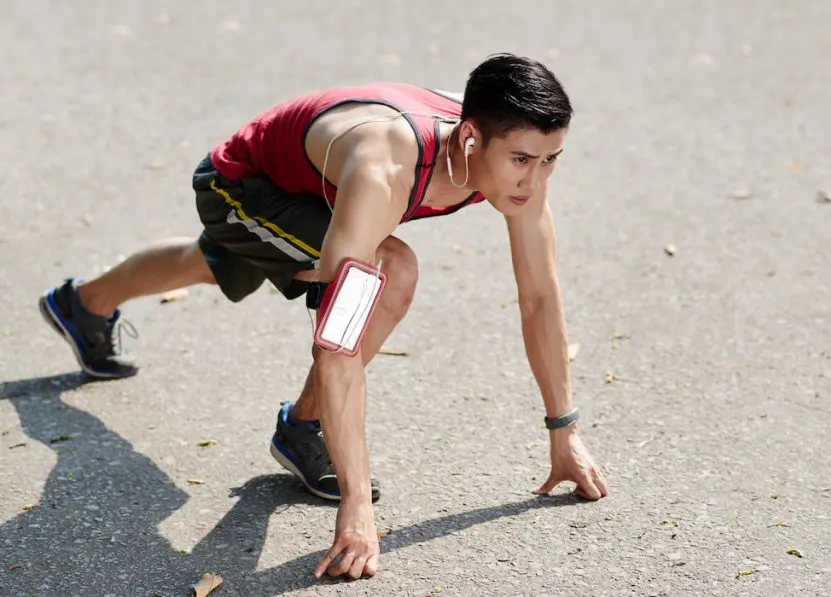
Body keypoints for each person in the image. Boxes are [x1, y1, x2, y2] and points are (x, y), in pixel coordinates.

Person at [37, 53, 609, 580]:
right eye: (522, 161)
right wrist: (356, 507)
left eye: (551, 160)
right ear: (470, 137)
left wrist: (565, 432)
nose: (535, 181)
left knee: (219, 263)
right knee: (393, 273)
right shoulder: (387, 168)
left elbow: (539, 296)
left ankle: (82, 303)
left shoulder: (508, 161)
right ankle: (304, 429)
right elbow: (337, 344)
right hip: (242, 184)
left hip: (320, 185)